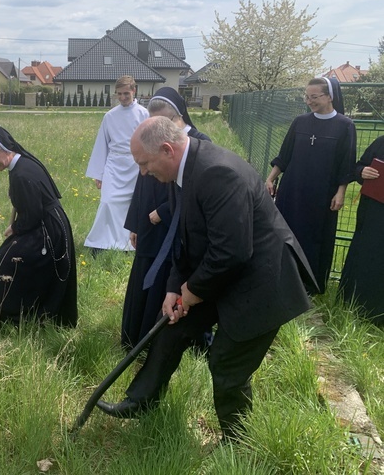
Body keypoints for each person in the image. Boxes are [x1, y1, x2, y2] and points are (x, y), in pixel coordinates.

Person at [96, 116, 315, 440]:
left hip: (263, 282)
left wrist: (193, 291)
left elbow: (233, 251)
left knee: (227, 365)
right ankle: (141, 401)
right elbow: (186, 239)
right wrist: (174, 289)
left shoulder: (218, 174)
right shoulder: (180, 173)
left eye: (144, 164)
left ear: (167, 150)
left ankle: (238, 444)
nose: (143, 172)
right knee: (170, 328)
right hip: (225, 271)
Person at [121, 87, 211, 349]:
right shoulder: (152, 145)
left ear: (177, 117)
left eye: (163, 121)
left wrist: (163, 212)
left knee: (172, 276)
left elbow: (197, 191)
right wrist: (137, 223)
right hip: (150, 224)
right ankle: (137, 337)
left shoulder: (198, 142)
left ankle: (170, 340)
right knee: (146, 273)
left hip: (179, 226)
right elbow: (142, 184)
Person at [0, 124, 78, 328]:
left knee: (7, 260)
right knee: (7, 255)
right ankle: (17, 312)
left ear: (5, 150)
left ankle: (14, 316)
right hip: (45, 223)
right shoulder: (20, 165)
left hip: (47, 230)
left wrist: (14, 229)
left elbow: (33, 215)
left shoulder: (22, 174)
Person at [266, 77, 356, 294]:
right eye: (307, 96)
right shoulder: (300, 122)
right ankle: (282, 278)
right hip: (293, 190)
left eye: (314, 97)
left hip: (322, 194)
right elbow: (284, 155)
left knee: (315, 238)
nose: (309, 101)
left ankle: (310, 285)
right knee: (286, 233)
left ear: (329, 96)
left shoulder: (345, 126)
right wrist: (270, 178)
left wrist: (340, 192)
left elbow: (347, 164)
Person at [85, 75, 149, 254]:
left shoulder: (144, 114)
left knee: (131, 205)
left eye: (126, 94)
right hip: (114, 165)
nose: (122, 98)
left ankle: (128, 243)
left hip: (135, 165)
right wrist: (99, 173)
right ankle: (101, 242)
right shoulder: (110, 116)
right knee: (107, 202)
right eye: (119, 94)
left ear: (134, 91)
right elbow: (101, 144)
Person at [339, 135, 384, 325]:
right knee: (366, 254)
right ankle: (358, 304)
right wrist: (362, 172)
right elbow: (358, 167)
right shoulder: (381, 142)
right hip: (373, 213)